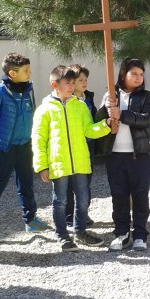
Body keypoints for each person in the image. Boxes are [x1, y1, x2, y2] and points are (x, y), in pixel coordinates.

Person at [32, 65, 112, 252]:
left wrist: (106, 125)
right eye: (67, 83)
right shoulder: (44, 110)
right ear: (55, 85)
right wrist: (42, 166)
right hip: (58, 164)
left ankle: (80, 232)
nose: (71, 86)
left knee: (83, 200)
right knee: (60, 201)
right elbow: (38, 139)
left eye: (72, 82)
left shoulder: (81, 106)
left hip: (80, 162)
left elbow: (89, 130)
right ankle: (62, 235)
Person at [0, 53, 47, 247]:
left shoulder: (28, 90)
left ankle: (30, 220)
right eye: (26, 71)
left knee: (26, 184)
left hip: (24, 145)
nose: (30, 73)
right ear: (12, 74)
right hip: (4, 147)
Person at [94, 58, 150, 252]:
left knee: (140, 195)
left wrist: (123, 114)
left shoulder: (146, 96)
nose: (138, 77)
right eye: (134, 73)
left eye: (141, 74)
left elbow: (148, 119)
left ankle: (140, 234)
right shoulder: (110, 95)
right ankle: (121, 233)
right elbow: (98, 121)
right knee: (118, 195)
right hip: (115, 155)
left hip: (139, 154)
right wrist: (105, 108)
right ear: (123, 74)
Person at [64, 64, 97, 228]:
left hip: (88, 145)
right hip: (72, 145)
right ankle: (69, 215)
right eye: (80, 80)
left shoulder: (88, 98)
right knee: (71, 183)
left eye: (86, 79)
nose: (84, 82)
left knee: (86, 181)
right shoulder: (67, 100)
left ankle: (83, 213)